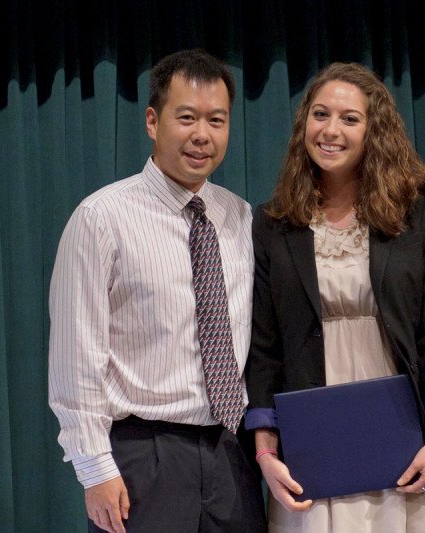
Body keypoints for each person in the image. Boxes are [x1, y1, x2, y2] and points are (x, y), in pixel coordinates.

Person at [48, 49, 266, 533]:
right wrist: (94, 468)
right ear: (153, 121)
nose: (202, 135)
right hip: (141, 457)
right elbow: (76, 354)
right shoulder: (101, 218)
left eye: (216, 120)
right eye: (186, 117)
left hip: (233, 454)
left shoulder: (240, 217)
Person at [244, 62, 425, 532]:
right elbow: (263, 349)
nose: (331, 130)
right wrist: (266, 452)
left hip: (405, 444)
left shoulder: (416, 212)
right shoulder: (273, 223)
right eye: (320, 114)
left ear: (373, 130)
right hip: (311, 450)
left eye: (349, 118)